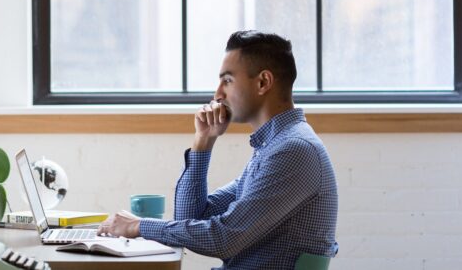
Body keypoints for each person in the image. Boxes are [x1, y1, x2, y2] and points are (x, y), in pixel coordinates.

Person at [98, 30, 338, 269]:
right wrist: (203, 140)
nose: (218, 94)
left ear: (263, 82)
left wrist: (138, 226)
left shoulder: (293, 151)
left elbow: (224, 239)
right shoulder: (272, 148)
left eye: (228, 80)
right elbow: (190, 219)